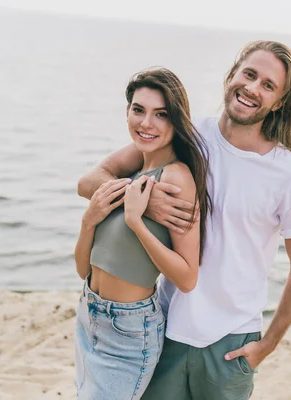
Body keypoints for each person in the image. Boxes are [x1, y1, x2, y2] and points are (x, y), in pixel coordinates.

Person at [78, 40, 291, 400]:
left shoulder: (290, 176)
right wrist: (144, 198)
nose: (253, 88)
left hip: (230, 344)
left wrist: (267, 345)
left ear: (279, 101)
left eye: (268, 85)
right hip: (167, 327)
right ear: (232, 74)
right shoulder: (190, 135)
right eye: (249, 74)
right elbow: (93, 179)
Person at [73, 67, 211, 399]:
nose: (146, 123)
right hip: (88, 314)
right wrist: (89, 221)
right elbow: (83, 269)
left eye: (160, 114)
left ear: (176, 121)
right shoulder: (137, 161)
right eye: (138, 110)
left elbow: (187, 277)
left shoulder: (176, 177)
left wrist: (136, 222)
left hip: (129, 331)